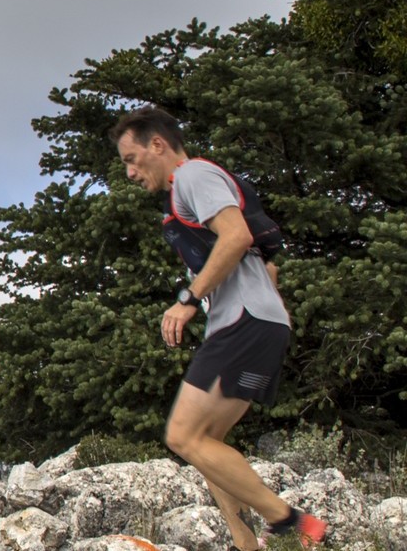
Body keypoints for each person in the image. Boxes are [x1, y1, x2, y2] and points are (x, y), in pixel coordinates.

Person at [111, 107, 328, 549]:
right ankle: (247, 546)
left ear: (158, 144)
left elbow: (236, 236)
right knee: (207, 444)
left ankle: (292, 521)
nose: (130, 172)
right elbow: (265, 259)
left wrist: (188, 300)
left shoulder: (192, 176)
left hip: (245, 320)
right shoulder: (187, 191)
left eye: (131, 159)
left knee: (183, 435)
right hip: (256, 320)